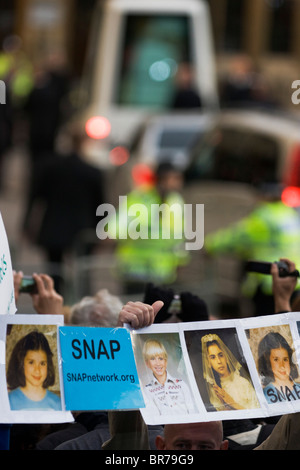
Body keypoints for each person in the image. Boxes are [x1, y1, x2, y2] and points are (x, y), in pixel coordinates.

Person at [22, 125, 105, 294]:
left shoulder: (50, 167)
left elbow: (36, 197)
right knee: (83, 274)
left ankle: (54, 307)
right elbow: (100, 205)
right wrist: (101, 231)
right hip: (82, 229)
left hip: (54, 226)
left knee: (54, 275)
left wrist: (27, 223)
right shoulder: (92, 171)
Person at [205, 186, 300, 316]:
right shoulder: (290, 214)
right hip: (293, 278)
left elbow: (237, 237)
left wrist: (210, 245)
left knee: (267, 328)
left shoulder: (264, 217)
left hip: (270, 281)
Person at [109, 162, 188, 294]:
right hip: (135, 272)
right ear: (161, 179)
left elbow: (178, 235)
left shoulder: (176, 201)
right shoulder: (140, 199)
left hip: (163, 273)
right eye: (173, 179)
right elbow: (117, 228)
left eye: (179, 179)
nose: (177, 184)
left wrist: (181, 259)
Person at [201, 333, 260, 411]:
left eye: (221, 355)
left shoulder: (243, 383)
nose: (219, 361)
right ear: (208, 363)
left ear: (226, 357)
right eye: (213, 357)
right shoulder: (215, 391)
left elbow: (256, 414)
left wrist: (231, 402)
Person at [7, 330, 62, 411]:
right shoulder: (9, 401)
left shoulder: (57, 403)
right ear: (21, 364)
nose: (37, 370)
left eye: (42, 363)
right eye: (31, 362)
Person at [141, 338, 195, 416]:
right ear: (147, 363)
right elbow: (154, 416)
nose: (158, 363)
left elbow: (192, 411)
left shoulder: (181, 384)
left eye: (160, 358)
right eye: (153, 359)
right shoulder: (148, 390)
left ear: (165, 361)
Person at [258, 331, 300, 404]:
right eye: (276, 360)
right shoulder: (265, 395)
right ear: (267, 362)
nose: (282, 365)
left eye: (285, 359)